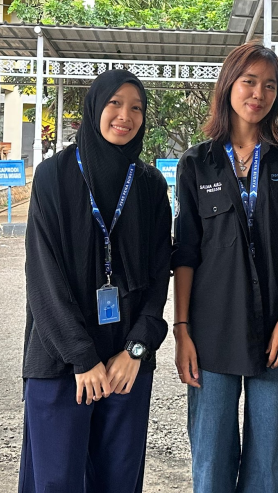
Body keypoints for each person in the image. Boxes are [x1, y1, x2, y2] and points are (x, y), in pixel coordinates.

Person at [172, 42, 278, 493]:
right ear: (228, 85)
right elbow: (186, 253)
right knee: (211, 459)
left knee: (268, 464)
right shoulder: (196, 163)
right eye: (249, 82)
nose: (259, 94)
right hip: (212, 330)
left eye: (270, 85)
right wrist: (182, 331)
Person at [19, 70, 173, 493]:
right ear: (94, 108)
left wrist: (136, 349)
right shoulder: (53, 176)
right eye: (114, 104)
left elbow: (159, 279)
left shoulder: (150, 185)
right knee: (56, 481)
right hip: (61, 361)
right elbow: (43, 276)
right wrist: (82, 358)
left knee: (118, 482)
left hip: (127, 363)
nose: (126, 116)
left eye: (136, 108)